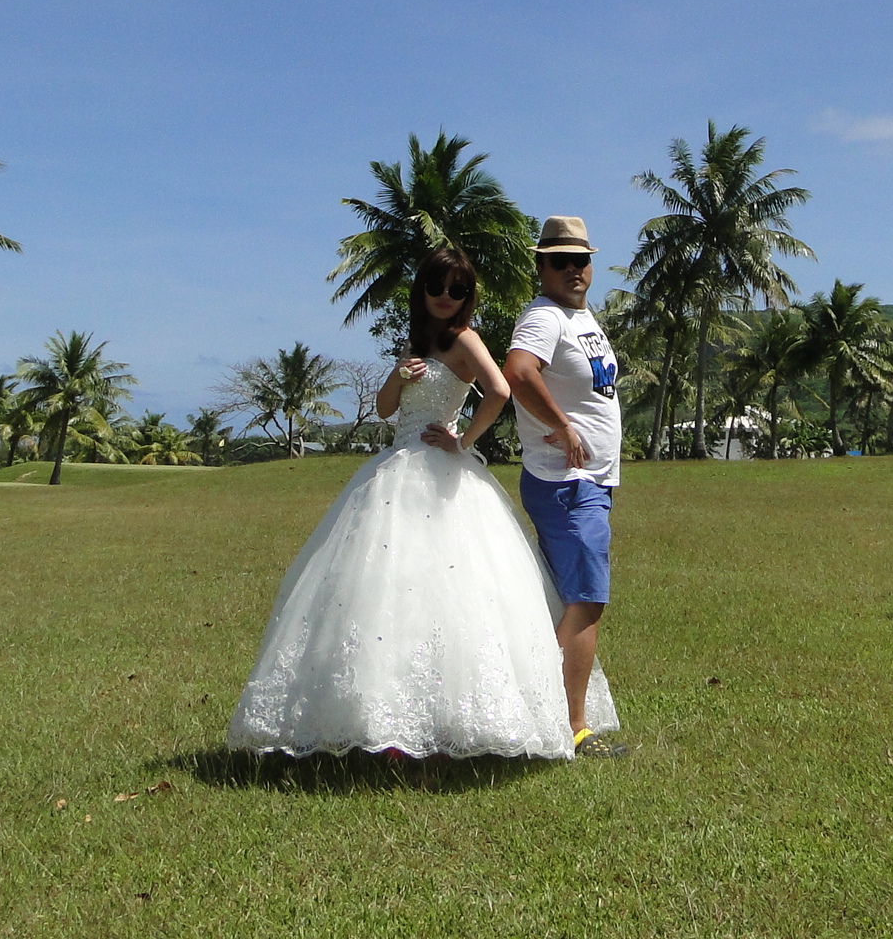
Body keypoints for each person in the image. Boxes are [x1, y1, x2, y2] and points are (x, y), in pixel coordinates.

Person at [227, 246, 617, 759]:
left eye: (457, 290)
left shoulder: (466, 340)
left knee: (454, 592)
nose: (446, 298)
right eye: (437, 287)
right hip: (393, 472)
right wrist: (398, 376)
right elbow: (388, 410)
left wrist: (464, 440)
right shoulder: (417, 340)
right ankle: (382, 721)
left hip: (442, 471)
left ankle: (457, 721)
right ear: (423, 290)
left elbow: (499, 389)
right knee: (384, 593)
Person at [504, 216, 629, 758]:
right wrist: (559, 425)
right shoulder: (543, 318)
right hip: (566, 483)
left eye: (580, 260)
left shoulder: (579, 317)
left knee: (571, 600)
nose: (573, 269)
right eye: (560, 260)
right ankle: (568, 727)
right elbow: (518, 371)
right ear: (541, 267)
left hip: (591, 481)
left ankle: (549, 717)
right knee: (586, 600)